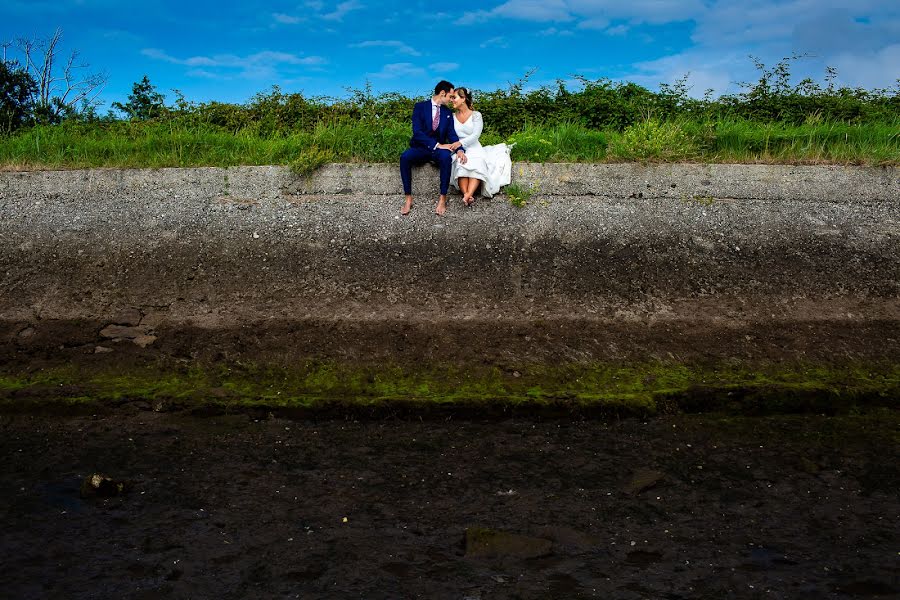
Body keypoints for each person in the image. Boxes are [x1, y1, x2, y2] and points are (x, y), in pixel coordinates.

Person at [399, 80, 468, 216]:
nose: (451, 99)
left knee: (446, 158)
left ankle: (442, 198)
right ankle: (408, 198)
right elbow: (417, 132)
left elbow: (451, 134)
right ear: (442, 93)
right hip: (421, 147)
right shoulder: (420, 107)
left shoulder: (447, 113)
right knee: (405, 158)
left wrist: (459, 149)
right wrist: (437, 145)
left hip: (439, 151)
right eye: (450, 96)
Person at [447, 87, 512, 205]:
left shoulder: (476, 115)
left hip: (474, 147)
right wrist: (459, 148)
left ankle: (467, 195)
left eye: (454, 97)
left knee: (476, 163)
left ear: (463, 98)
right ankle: (467, 195)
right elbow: (451, 135)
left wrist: (461, 143)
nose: (452, 100)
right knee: (461, 164)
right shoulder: (452, 117)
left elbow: (476, 135)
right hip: (459, 149)